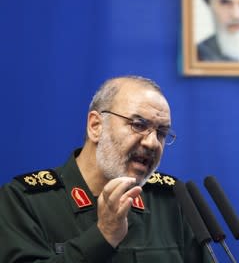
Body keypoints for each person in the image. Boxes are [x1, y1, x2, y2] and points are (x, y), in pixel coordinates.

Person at [0, 76, 211, 262]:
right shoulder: (24, 201)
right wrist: (103, 235)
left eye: (162, 133)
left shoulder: (172, 201)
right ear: (95, 126)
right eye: (138, 125)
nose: (152, 143)